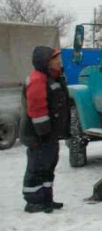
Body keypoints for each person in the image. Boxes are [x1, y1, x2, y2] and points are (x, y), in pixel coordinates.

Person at [20, 46, 71, 213]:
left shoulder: (53, 78)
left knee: (48, 167)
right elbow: (37, 109)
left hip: (49, 136)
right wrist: (44, 134)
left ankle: (46, 199)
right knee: (37, 168)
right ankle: (33, 202)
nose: (59, 61)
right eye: (56, 59)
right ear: (46, 62)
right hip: (39, 136)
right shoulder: (38, 79)